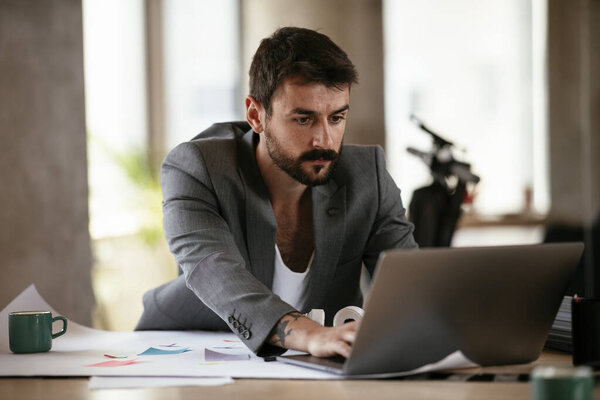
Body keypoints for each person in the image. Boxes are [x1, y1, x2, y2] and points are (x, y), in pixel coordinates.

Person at [136, 27, 417, 358]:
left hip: (315, 370)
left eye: (337, 117)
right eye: (303, 119)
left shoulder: (367, 174)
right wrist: (310, 335)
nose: (325, 140)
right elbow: (213, 270)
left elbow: (410, 283)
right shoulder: (197, 168)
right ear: (256, 115)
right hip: (189, 355)